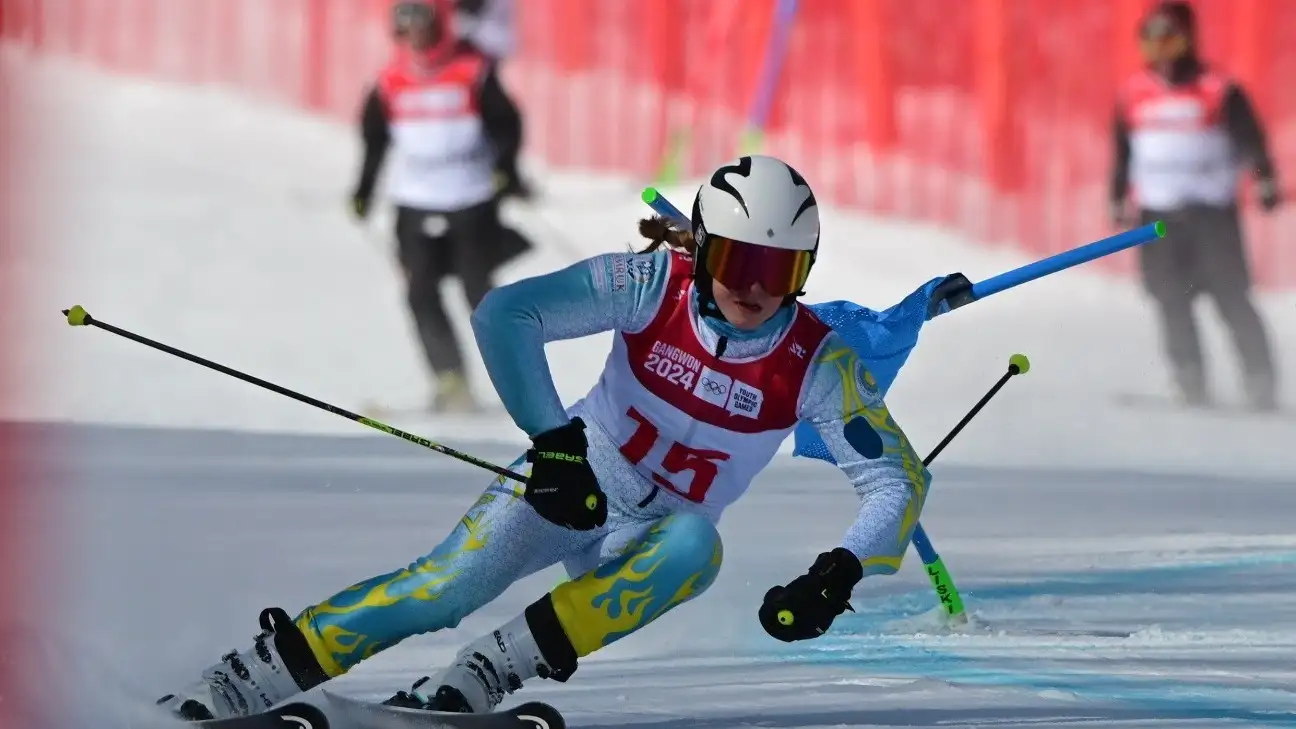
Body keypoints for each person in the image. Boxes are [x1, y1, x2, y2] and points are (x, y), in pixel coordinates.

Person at [157, 155, 977, 721]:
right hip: (572, 484)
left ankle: (485, 674)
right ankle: (248, 675)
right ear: (702, 246)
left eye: (780, 272)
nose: (753, 290)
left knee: (697, 546)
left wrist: (837, 573)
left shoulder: (817, 363)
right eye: (736, 261)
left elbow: (898, 480)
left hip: (650, 539)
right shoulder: (650, 284)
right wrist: (554, 443)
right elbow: (505, 315)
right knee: (441, 590)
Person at [349, 0, 535, 414]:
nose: (416, 40)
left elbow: (507, 123)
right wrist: (363, 191)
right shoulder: (390, 80)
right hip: (414, 201)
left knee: (478, 290)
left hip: (470, 196)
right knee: (420, 290)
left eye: (423, 30)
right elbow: (375, 139)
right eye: (407, 32)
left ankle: (520, 380)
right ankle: (450, 379)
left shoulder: (472, 70)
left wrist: (505, 169)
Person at [1110, 0, 1282, 411]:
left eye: (1169, 37)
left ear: (1188, 39)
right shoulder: (1133, 93)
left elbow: (1251, 141)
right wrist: (1116, 196)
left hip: (1210, 214)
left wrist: (1264, 178)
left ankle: (1259, 379)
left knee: (1230, 296)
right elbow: (1123, 153)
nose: (1160, 48)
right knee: (1171, 300)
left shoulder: (1218, 88)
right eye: (1151, 39)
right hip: (1158, 216)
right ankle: (1189, 378)